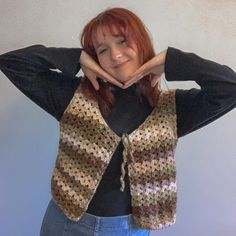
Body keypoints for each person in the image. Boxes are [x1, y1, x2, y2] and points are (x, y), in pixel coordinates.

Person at [0, 7, 235, 236]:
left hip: (128, 230)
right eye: (102, 50)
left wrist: (172, 61)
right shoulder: (72, 95)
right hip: (66, 225)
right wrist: (77, 58)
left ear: (141, 42)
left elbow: (229, 88)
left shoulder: (172, 108)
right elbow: (13, 63)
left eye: (123, 41)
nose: (115, 54)